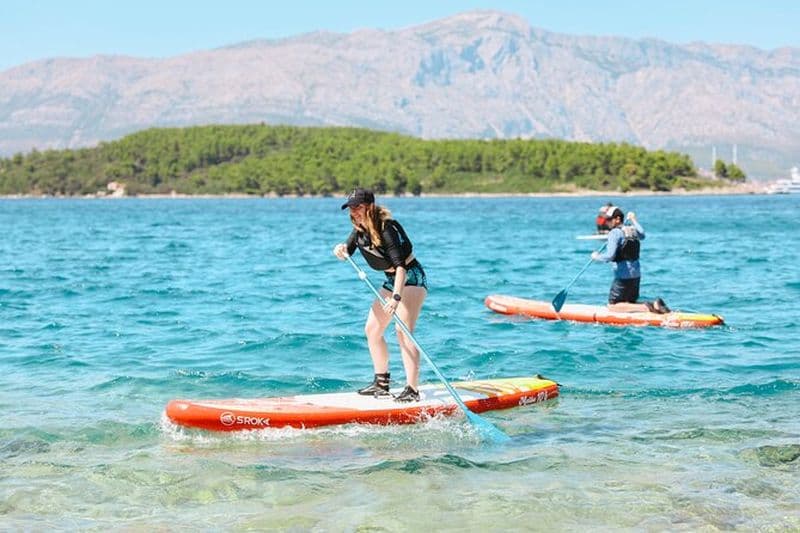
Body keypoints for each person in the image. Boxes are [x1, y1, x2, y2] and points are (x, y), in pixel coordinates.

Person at [333, 188, 428, 402]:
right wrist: (340, 250)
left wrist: (395, 299)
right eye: (351, 208)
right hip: (390, 280)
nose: (354, 212)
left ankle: (412, 390)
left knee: (403, 332)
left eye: (358, 207)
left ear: (370, 206)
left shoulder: (387, 228)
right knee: (372, 329)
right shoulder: (360, 230)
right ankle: (381, 384)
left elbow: (401, 267)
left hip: (410, 278)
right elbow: (347, 251)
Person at [591, 206, 671, 314]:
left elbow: (610, 256)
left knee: (612, 306)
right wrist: (633, 219)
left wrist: (596, 256)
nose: (607, 223)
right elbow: (642, 234)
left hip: (623, 277)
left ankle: (648, 307)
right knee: (629, 302)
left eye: (609, 220)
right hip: (636, 275)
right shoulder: (632, 230)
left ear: (618, 219)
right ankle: (655, 304)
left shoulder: (614, 233)